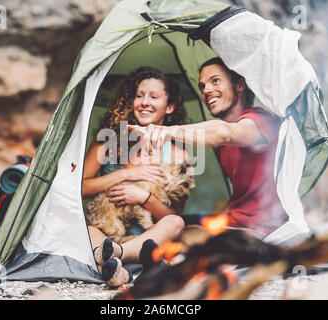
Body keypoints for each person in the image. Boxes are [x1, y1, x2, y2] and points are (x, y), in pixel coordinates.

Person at [129, 57, 288, 239]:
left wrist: (166, 131)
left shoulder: (261, 120)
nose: (207, 90)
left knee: (179, 236)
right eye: (202, 86)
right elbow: (241, 199)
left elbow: (227, 132)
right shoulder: (222, 144)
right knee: (173, 222)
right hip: (232, 221)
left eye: (215, 81)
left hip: (261, 229)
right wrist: (211, 225)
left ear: (240, 84)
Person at [82, 67, 190, 286]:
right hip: (107, 234)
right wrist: (126, 173)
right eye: (139, 96)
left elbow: (173, 214)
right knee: (89, 230)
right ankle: (121, 271)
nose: (144, 102)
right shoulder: (108, 140)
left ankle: (116, 258)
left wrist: (143, 198)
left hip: (150, 237)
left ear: (169, 107)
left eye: (154, 96)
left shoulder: (178, 154)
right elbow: (80, 188)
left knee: (176, 222)